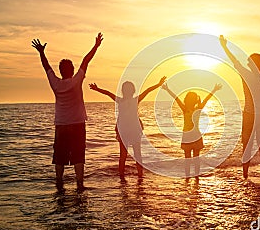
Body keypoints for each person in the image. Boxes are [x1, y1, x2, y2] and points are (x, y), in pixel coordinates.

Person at [32, 33, 103, 192]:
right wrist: (96, 46)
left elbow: (46, 67)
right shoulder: (76, 80)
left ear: (61, 71)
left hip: (61, 125)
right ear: (71, 70)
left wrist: (41, 52)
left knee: (60, 156)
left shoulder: (55, 83)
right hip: (77, 124)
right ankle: (79, 184)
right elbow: (86, 60)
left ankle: (59, 184)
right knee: (78, 155)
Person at [220, 34, 260, 181]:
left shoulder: (247, 75)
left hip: (249, 115)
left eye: (249, 62)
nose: (248, 63)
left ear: (252, 64)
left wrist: (225, 47)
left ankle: (245, 175)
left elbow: (235, 61)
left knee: (247, 145)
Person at [89, 76, 166, 180]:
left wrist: (97, 89)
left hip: (125, 130)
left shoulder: (120, 100)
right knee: (137, 156)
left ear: (123, 91)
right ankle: (140, 177)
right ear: (133, 91)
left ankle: (122, 178)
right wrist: (158, 84)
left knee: (123, 156)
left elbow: (108, 93)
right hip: (132, 130)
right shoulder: (134, 100)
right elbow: (147, 91)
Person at [162, 83, 222, 178]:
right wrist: (167, 89)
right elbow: (176, 98)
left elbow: (206, 99)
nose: (189, 101)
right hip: (188, 136)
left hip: (195, 136)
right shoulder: (185, 109)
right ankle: (188, 177)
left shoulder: (198, 108)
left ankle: (196, 177)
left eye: (191, 99)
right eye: (189, 99)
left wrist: (214, 89)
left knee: (196, 158)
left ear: (193, 101)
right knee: (188, 159)